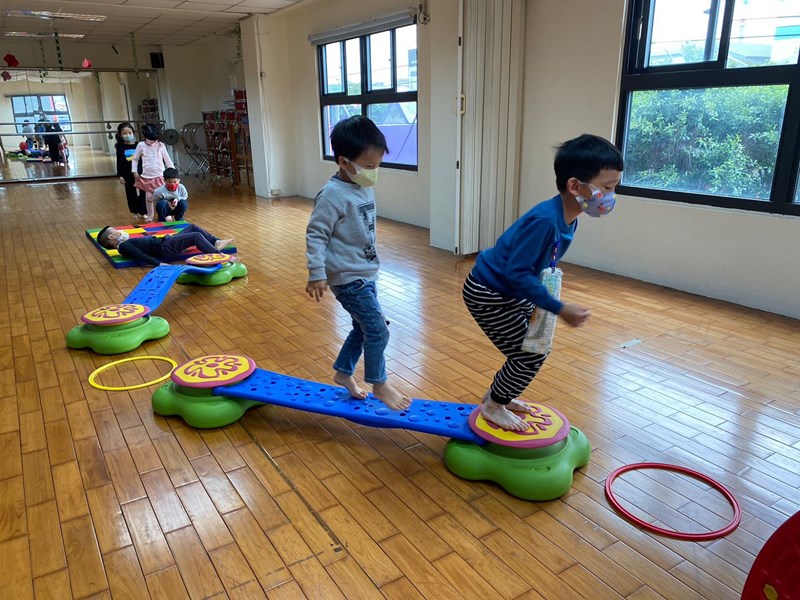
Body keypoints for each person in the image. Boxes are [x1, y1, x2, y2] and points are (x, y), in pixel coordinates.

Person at [463, 134, 623, 431]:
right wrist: (559, 308)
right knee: (529, 353)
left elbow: (534, 267)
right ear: (576, 186)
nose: (610, 196)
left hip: (513, 289)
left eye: (614, 187)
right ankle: (494, 406)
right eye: (607, 187)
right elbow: (516, 273)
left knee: (534, 346)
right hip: (489, 292)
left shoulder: (569, 217)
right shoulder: (545, 221)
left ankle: (499, 395)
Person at [305, 115, 410, 411]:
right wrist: (316, 274)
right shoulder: (332, 195)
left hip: (366, 271)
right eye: (368, 166)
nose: (373, 172)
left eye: (377, 165)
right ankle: (379, 383)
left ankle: (343, 372)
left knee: (363, 328)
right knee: (379, 330)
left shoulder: (362, 186)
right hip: (346, 277)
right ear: (343, 161)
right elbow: (316, 234)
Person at [96, 223, 234, 267]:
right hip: (165, 247)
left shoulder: (124, 244)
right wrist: (159, 264)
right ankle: (219, 256)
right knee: (196, 236)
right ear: (111, 237)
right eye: (116, 231)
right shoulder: (124, 246)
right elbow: (141, 256)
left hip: (165, 241)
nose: (119, 231)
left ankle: (216, 241)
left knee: (192, 227)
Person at [131, 124, 174, 223]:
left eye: (155, 139)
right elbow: (135, 159)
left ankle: (165, 214)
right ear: (145, 137)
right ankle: (150, 215)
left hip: (160, 176)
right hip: (147, 177)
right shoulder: (141, 145)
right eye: (151, 140)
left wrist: (172, 171)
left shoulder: (161, 145)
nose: (153, 142)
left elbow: (167, 159)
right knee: (149, 198)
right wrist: (134, 171)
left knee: (163, 196)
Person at [115, 122, 146, 221]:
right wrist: (120, 175)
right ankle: (135, 211)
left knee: (143, 192)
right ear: (120, 135)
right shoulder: (120, 147)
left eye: (129, 132)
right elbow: (119, 162)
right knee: (130, 192)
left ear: (133, 133)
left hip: (140, 172)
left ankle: (143, 211)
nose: (128, 135)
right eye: (124, 133)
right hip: (127, 173)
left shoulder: (139, 145)